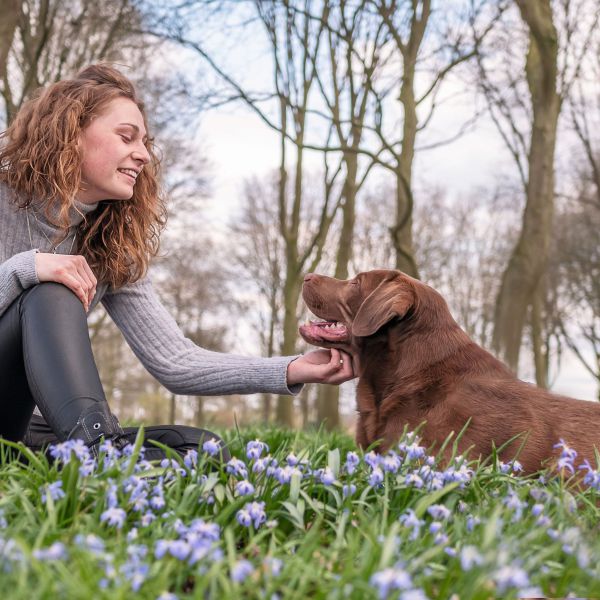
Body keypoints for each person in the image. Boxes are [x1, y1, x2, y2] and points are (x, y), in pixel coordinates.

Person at [0, 64, 354, 461]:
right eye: (126, 137)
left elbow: (175, 361)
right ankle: (98, 454)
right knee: (50, 292)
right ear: (70, 133)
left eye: (145, 142)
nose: (143, 155)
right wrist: (26, 269)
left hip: (18, 421)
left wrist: (292, 369)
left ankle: (91, 452)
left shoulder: (111, 245)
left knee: (198, 448)